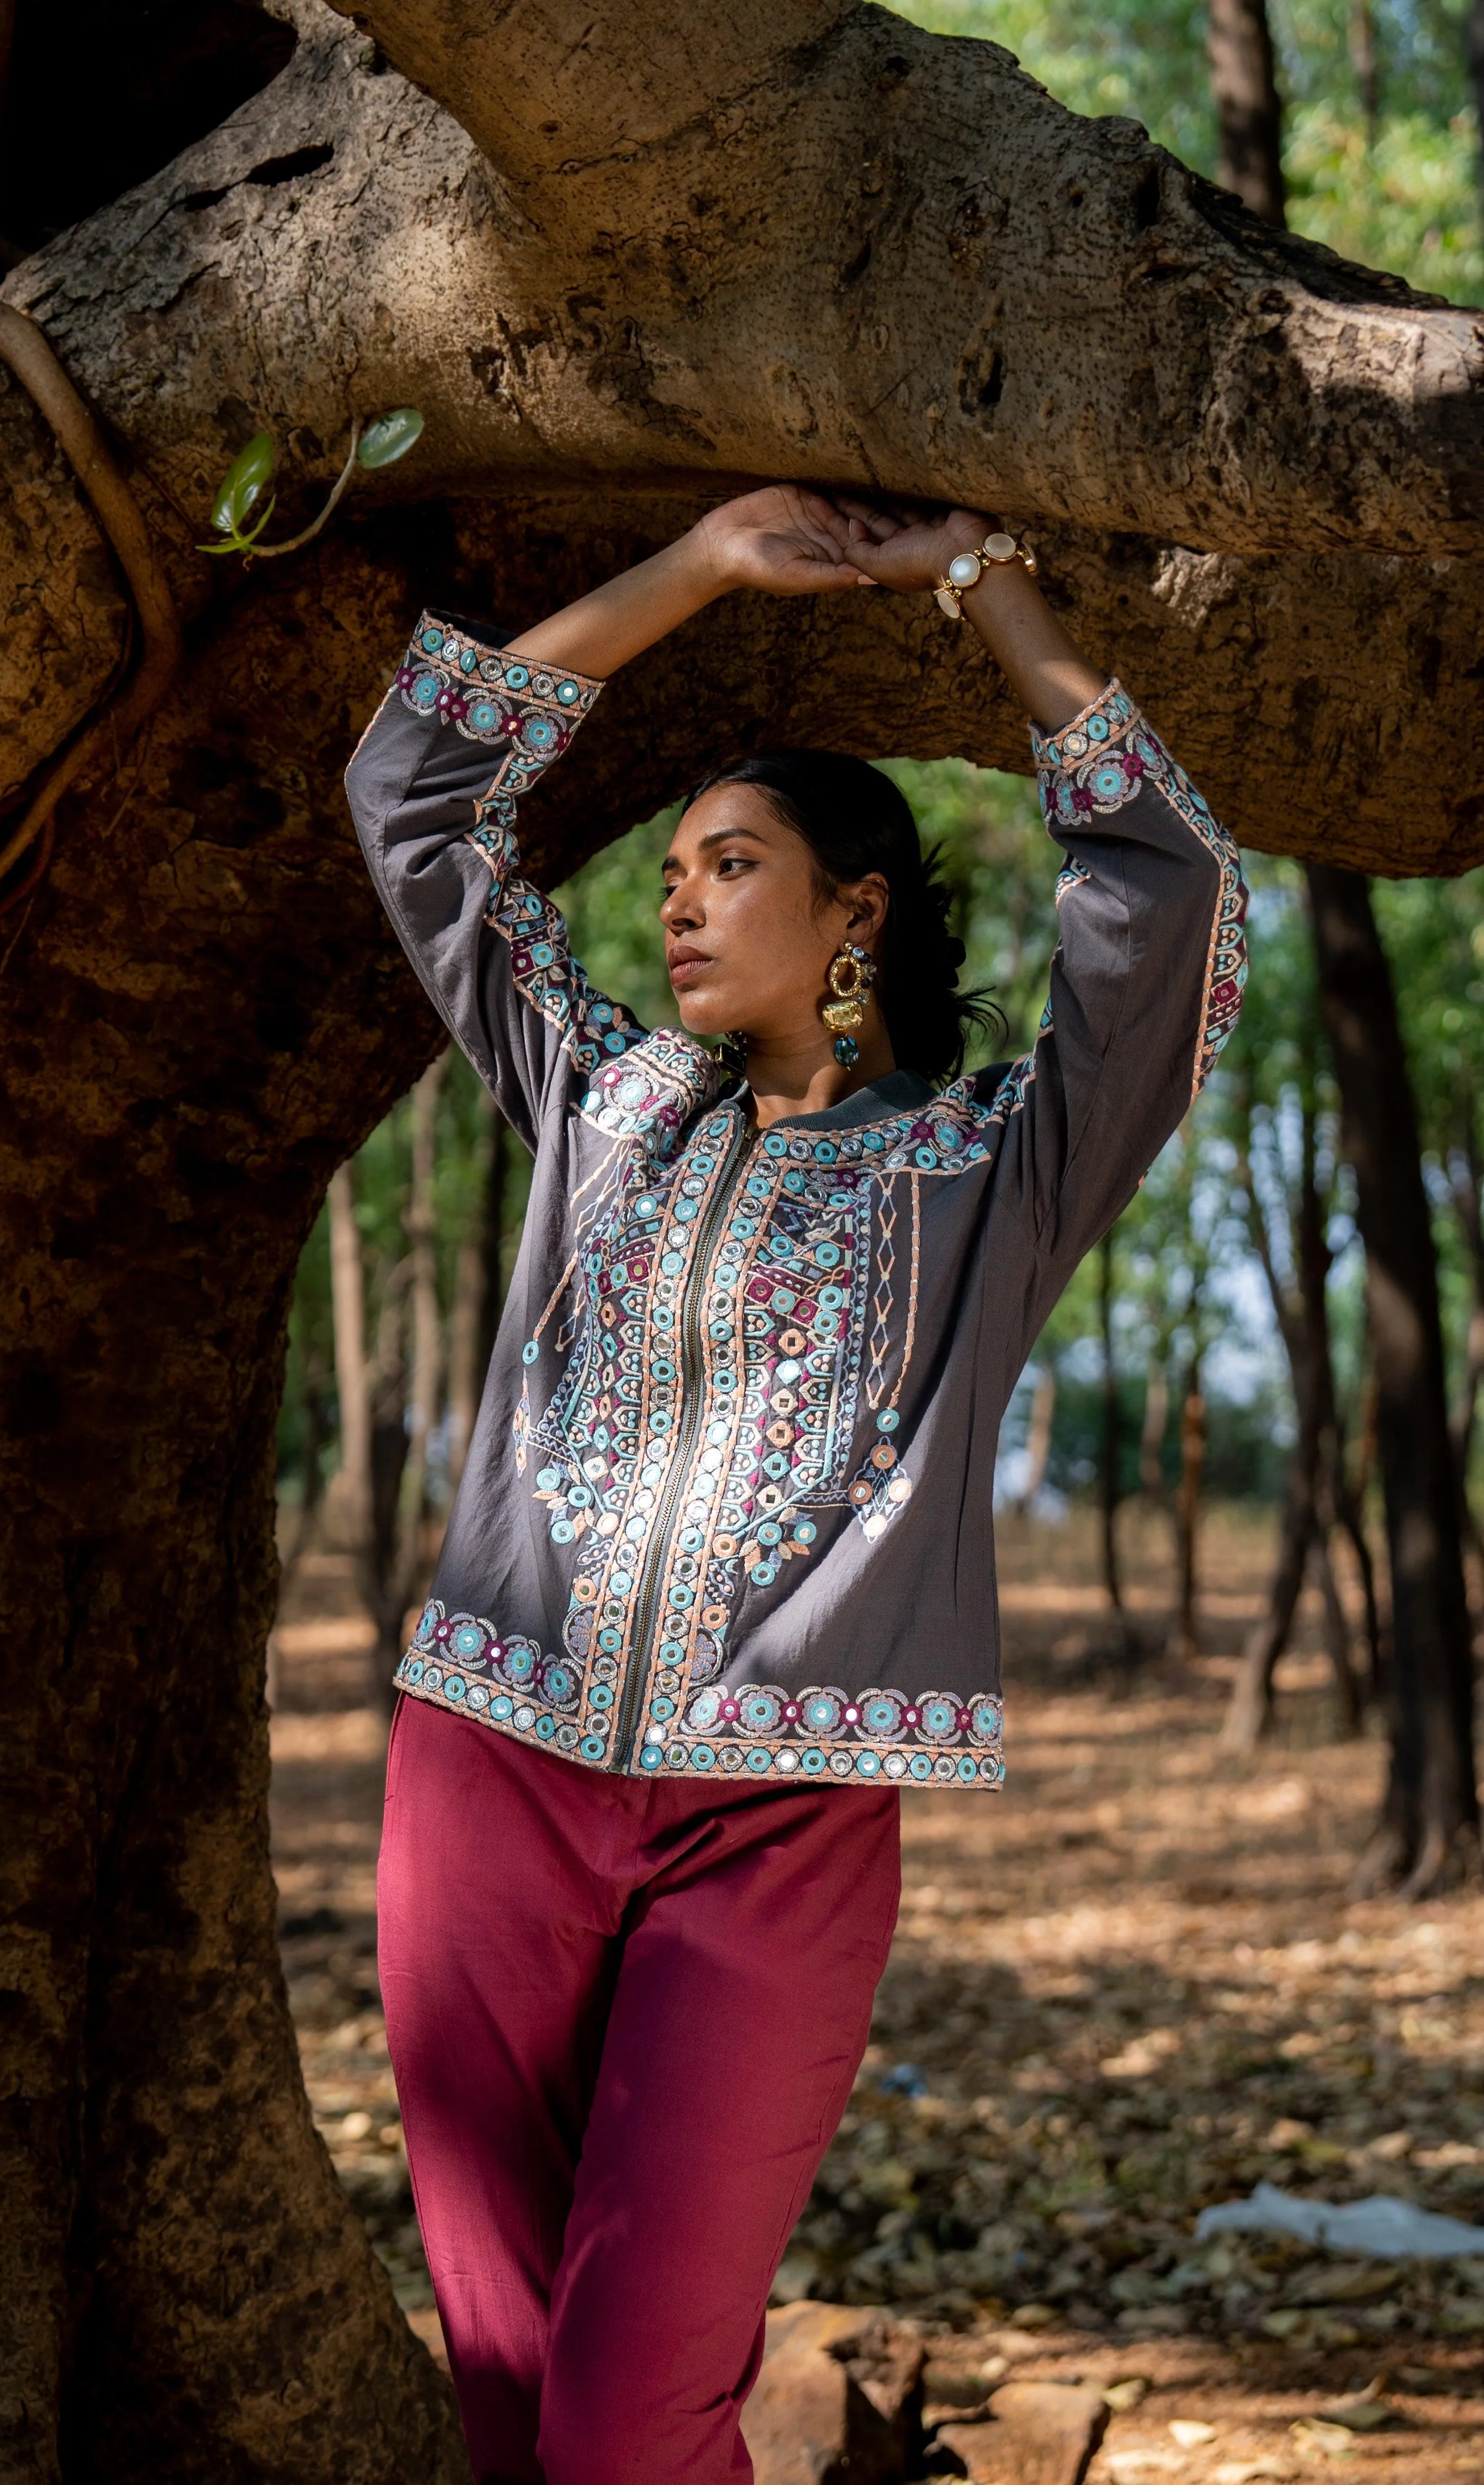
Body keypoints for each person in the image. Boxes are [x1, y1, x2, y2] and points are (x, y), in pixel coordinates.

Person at [344, 488, 1247, 2484]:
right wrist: (699, 570)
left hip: (777, 1824)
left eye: (730, 864)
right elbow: (415, 792)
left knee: (624, 2410)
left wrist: (981, 581)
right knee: (512, 2402)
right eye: (667, 870)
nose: (674, 901)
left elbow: (1163, 895)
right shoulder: (595, 1100)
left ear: (857, 912)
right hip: (488, 1763)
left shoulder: (989, 1171)